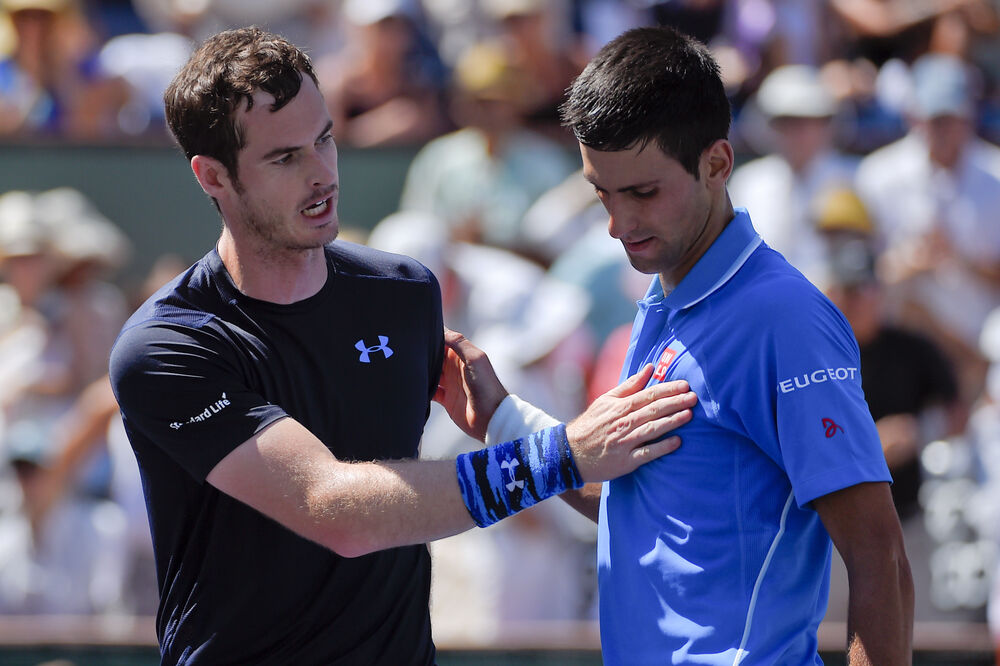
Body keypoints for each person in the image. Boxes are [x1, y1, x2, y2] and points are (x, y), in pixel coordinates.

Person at [106, 26, 698, 664]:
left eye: (325, 139)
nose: (321, 174)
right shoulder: (165, 347)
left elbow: (545, 480)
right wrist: (561, 454)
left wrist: (513, 427)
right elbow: (333, 509)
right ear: (212, 176)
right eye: (285, 158)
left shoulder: (404, 294)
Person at [530, 25, 911, 664]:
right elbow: (657, 514)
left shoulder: (782, 318)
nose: (618, 225)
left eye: (643, 193)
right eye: (602, 194)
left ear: (717, 164)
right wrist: (501, 419)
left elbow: (881, 557)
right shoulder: (666, 296)